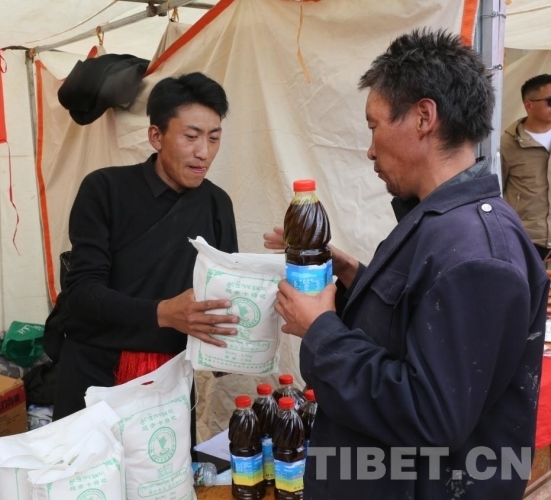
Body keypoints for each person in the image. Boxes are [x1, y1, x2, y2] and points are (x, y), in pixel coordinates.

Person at [264, 29, 548, 499]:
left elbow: (430, 415)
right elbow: (417, 327)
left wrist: (322, 332)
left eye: (374, 126)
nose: (370, 149)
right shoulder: (443, 223)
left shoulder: (477, 252)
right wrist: (353, 278)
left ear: (423, 117)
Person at [46, 72, 239, 422]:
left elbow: (224, 295)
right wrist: (163, 313)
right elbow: (83, 292)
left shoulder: (216, 204)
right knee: (89, 459)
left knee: (168, 460)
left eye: (214, 138)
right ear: (156, 136)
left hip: (169, 378)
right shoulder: (105, 189)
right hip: (94, 369)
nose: (203, 152)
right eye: (191, 137)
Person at [501, 74, 551, 263]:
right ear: (529, 105)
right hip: (524, 242)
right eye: (550, 101)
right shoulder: (507, 145)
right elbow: (495, 192)